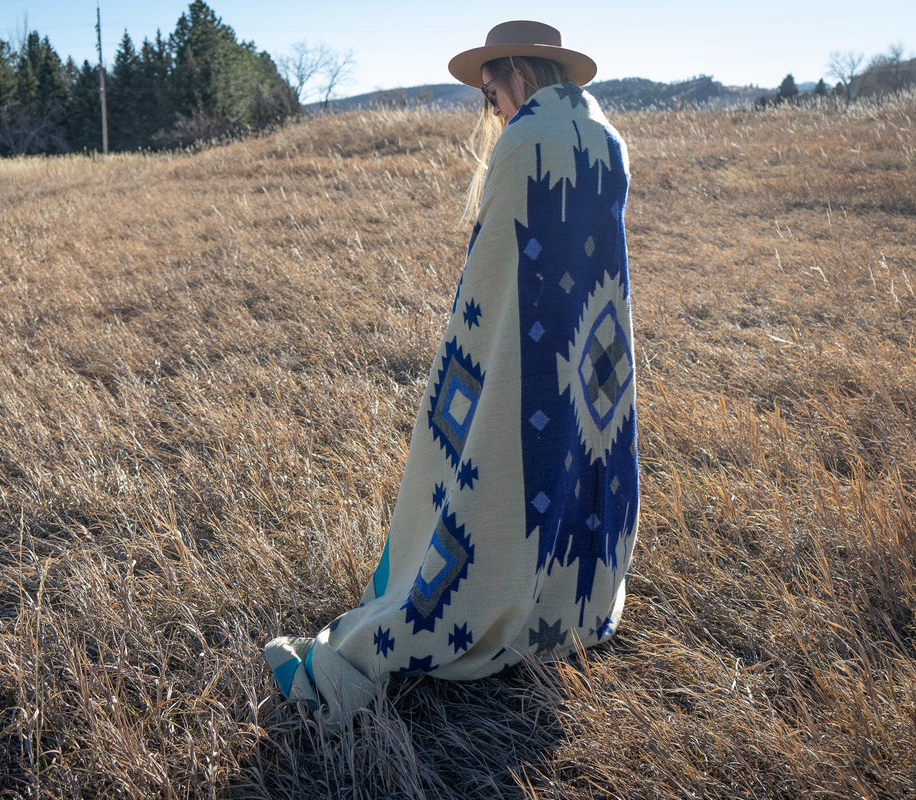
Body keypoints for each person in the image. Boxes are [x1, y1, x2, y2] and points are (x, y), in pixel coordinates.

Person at [265, 20, 639, 724]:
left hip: (526, 356)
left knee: (496, 473)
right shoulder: (607, 139)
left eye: (490, 91)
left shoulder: (528, 139)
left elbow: (490, 283)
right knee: (575, 465)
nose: (490, 107)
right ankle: (567, 604)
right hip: (595, 361)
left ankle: (483, 604)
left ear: (519, 76)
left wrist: (471, 356)